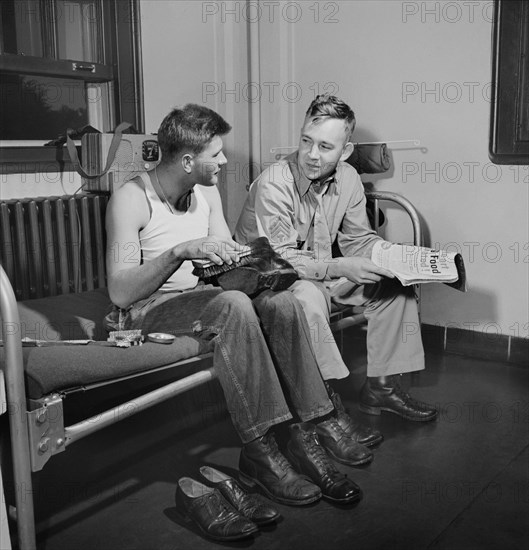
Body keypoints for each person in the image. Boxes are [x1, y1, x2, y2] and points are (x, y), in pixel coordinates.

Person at [104, 104, 368, 533]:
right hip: (149, 309)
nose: (225, 162)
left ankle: (303, 435)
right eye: (217, 154)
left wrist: (261, 269)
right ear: (188, 161)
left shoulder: (206, 192)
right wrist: (179, 252)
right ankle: (260, 451)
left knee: (281, 302)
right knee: (235, 306)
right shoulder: (131, 199)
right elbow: (120, 292)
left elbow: (229, 259)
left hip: (204, 296)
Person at [234, 94, 438, 432]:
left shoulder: (348, 178)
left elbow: (358, 241)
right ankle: (321, 405)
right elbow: (282, 260)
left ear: (344, 151)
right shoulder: (274, 184)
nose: (312, 155)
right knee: (310, 299)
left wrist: (395, 257)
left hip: (319, 268)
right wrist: (342, 268)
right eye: (306, 142)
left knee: (394, 287)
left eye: (325, 147)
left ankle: (381, 389)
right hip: (267, 277)